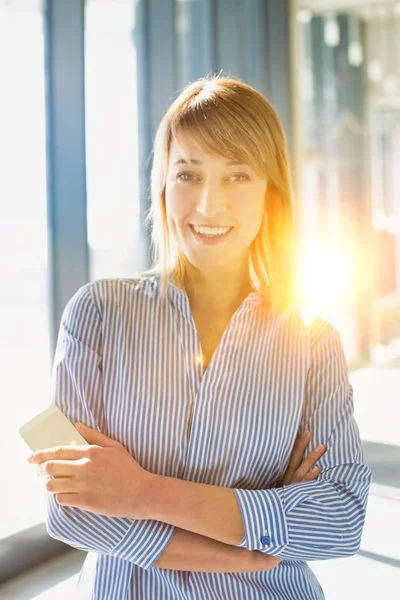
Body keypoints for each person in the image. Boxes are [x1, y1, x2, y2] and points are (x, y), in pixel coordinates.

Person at [29, 76, 372, 599]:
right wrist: (251, 546)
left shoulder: (313, 343)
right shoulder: (95, 314)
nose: (209, 206)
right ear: (164, 186)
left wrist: (140, 492)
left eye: (237, 176)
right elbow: (69, 509)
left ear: (270, 195)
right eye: (188, 174)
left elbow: (341, 518)